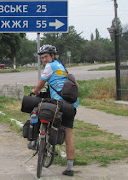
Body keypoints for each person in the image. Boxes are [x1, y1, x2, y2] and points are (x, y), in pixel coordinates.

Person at [31, 44, 79, 177]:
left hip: (58, 104)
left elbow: (40, 85)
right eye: (42, 58)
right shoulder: (62, 66)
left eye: (46, 57)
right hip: (71, 105)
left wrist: (34, 91)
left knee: (39, 111)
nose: (44, 60)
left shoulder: (50, 67)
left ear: (52, 56)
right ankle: (70, 168)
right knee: (69, 135)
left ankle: (35, 140)